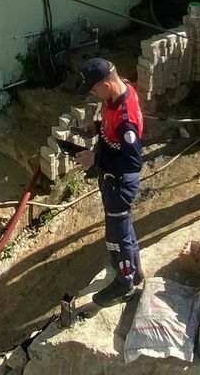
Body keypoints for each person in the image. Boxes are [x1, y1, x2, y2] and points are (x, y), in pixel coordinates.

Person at [74, 58, 145, 307]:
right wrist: (96, 127)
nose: (94, 95)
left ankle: (124, 285)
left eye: (94, 90)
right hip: (112, 178)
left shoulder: (126, 120)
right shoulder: (118, 92)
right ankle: (134, 271)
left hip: (120, 183)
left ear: (106, 84)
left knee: (116, 237)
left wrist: (94, 158)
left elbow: (133, 161)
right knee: (124, 228)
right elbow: (110, 124)